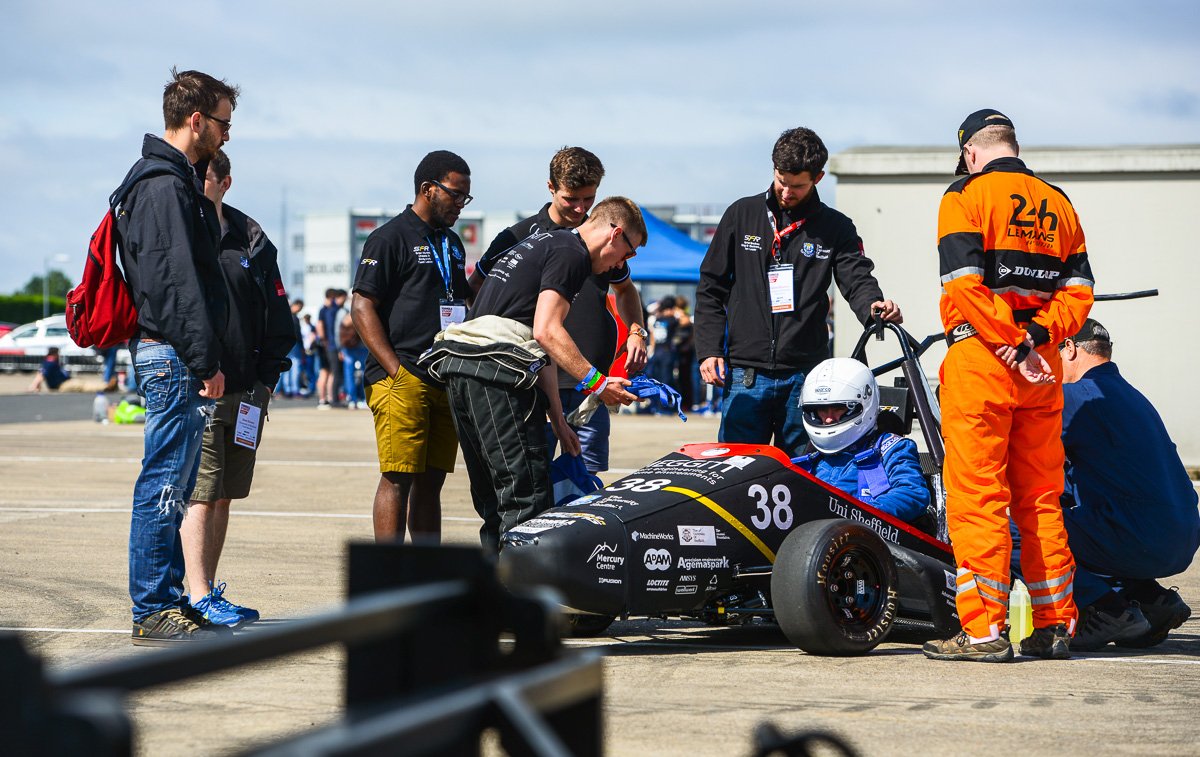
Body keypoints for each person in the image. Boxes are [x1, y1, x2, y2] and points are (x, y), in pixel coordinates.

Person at [923, 109, 1095, 663]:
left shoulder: (963, 197)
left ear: (970, 152)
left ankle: (983, 633)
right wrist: (1037, 337)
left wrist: (1010, 343)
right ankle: (1053, 627)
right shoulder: (1059, 202)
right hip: (1042, 367)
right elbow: (1080, 292)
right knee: (1042, 497)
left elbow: (965, 285)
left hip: (984, 357)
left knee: (977, 499)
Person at [422, 197, 644, 551]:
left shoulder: (544, 242)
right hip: (495, 375)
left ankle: (495, 596)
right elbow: (547, 332)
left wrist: (558, 419)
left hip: (462, 368)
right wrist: (598, 384)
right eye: (628, 253)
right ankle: (517, 601)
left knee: (494, 502)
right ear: (615, 235)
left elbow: (540, 346)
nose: (623, 263)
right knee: (525, 501)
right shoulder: (573, 254)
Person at [695, 127, 902, 458]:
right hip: (745, 375)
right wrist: (708, 350)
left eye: (797, 185)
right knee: (737, 474)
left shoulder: (836, 227)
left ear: (818, 177)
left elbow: (856, 277)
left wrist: (873, 306)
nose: (786, 192)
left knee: (804, 473)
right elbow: (710, 287)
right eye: (781, 180)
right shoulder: (741, 214)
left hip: (805, 377)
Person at [118, 68, 237, 645]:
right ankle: (151, 608)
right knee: (164, 483)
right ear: (196, 120)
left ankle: (165, 598)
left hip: (174, 354)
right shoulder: (164, 186)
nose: (226, 136)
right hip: (172, 356)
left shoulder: (172, 181)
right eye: (222, 124)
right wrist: (204, 359)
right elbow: (174, 285)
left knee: (176, 482)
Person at [1014, 318, 1196, 650]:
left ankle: (1106, 611)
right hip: (1179, 539)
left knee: (1017, 523)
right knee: (1076, 520)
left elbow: (1014, 431)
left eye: (1050, 354)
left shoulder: (1079, 397)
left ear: (1068, 348)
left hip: (1138, 537)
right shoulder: (1132, 396)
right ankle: (1152, 602)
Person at [469, 146, 647, 474]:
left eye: (588, 199)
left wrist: (637, 331)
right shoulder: (518, 237)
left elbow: (625, 289)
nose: (580, 208)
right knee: (529, 483)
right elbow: (479, 291)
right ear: (551, 188)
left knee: (584, 485)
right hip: (531, 385)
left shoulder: (602, 242)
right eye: (571, 199)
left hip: (587, 385)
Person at [180, 148, 293, 628]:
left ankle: (208, 589)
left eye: (203, 177)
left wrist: (267, 380)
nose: (196, 186)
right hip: (201, 386)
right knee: (201, 492)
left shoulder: (251, 238)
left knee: (225, 492)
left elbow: (277, 314)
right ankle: (197, 592)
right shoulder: (184, 232)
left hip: (247, 391)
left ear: (225, 182)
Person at [351, 150, 473, 543]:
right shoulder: (388, 238)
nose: (460, 205)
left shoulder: (452, 244)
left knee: (431, 482)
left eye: (465, 198)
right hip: (402, 375)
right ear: (427, 189)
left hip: (444, 377)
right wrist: (395, 370)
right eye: (455, 195)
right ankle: (386, 581)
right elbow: (362, 306)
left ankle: (424, 578)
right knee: (398, 477)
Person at [793, 358, 930, 523]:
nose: (828, 419)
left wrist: (858, 515)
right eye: (821, 410)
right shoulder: (808, 459)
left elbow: (913, 493)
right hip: (811, 540)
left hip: (869, 540)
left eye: (838, 408)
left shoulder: (891, 448)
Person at [316, 288, 347, 408]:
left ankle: (323, 399)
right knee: (333, 373)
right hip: (330, 345)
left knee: (324, 372)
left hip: (324, 345)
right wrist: (326, 341)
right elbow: (322, 326)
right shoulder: (332, 310)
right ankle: (331, 398)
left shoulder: (322, 310)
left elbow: (319, 325)